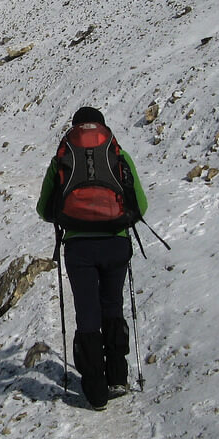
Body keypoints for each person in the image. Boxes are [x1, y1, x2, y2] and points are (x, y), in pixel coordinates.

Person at [36, 106, 149, 411]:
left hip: (79, 248)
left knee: (87, 314)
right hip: (116, 243)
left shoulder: (62, 158)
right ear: (103, 129)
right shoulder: (119, 156)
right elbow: (141, 204)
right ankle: (117, 377)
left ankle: (96, 392)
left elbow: (44, 210)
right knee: (112, 305)